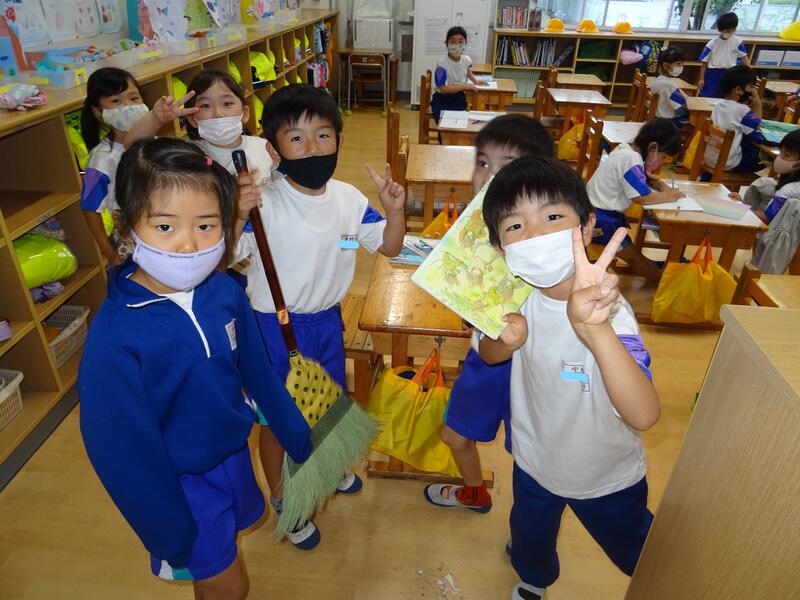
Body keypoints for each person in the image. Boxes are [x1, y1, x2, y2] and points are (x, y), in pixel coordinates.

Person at [78, 138, 313, 598]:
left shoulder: (223, 293)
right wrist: (167, 529)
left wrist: (295, 434)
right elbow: (119, 450)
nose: (189, 244)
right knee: (230, 585)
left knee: (218, 570)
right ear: (126, 224)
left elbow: (258, 371)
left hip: (232, 457)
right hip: (180, 486)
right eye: (165, 226)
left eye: (206, 225)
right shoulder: (116, 336)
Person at [233, 83, 405, 550]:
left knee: (325, 399)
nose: (312, 147)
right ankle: (283, 496)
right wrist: (236, 214)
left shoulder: (348, 199)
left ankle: (324, 466)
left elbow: (389, 247)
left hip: (326, 322)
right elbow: (223, 256)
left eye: (323, 135)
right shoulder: (263, 203)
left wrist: (394, 213)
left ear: (339, 140)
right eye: (297, 138)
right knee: (277, 420)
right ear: (274, 150)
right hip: (274, 328)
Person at [480, 156, 660, 600]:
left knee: (644, 555)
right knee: (529, 534)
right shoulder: (511, 297)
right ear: (501, 248)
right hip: (534, 460)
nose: (536, 234)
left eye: (553, 217)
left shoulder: (610, 313)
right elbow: (487, 353)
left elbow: (644, 414)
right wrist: (505, 342)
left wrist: (596, 331)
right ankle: (532, 577)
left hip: (604, 473)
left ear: (587, 226)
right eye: (515, 226)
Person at [424, 114, 554, 513]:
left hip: (535, 368)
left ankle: (530, 529)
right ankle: (475, 492)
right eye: (482, 163)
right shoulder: (475, 232)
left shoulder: (551, 241)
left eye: (508, 165)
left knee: (531, 458)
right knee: (454, 435)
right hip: (486, 358)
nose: (489, 176)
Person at [79, 67, 195, 265]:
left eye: (134, 98)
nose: (128, 106)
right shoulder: (101, 159)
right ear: (98, 112)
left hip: (170, 229)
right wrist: (110, 254)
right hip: (134, 242)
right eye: (116, 101)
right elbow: (90, 209)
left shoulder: (154, 142)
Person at [586, 118, 684, 281]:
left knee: (635, 254)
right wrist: (669, 196)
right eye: (664, 157)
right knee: (634, 259)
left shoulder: (626, 149)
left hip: (596, 214)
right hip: (600, 221)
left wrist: (660, 184)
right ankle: (662, 280)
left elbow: (642, 177)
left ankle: (658, 269)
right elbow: (641, 197)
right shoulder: (631, 159)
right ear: (653, 147)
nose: (661, 163)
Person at [183, 70, 276, 186]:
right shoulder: (190, 157)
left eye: (227, 104)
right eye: (205, 105)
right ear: (192, 120)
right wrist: (160, 119)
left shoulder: (264, 147)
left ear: (245, 113)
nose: (218, 114)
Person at [703, 65, 765, 177]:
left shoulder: (718, 104)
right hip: (728, 162)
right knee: (761, 160)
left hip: (709, 157)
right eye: (751, 86)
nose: (753, 91)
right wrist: (757, 104)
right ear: (738, 90)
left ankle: (707, 177)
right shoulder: (742, 109)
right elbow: (757, 126)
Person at [431, 25, 488, 122]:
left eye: (461, 42)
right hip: (442, 99)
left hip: (458, 98)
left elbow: (467, 70)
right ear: (446, 44)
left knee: (459, 121)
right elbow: (443, 89)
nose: (457, 45)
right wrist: (464, 87)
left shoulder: (466, 60)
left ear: (466, 43)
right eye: (453, 42)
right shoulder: (441, 64)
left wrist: (475, 81)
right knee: (446, 123)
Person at [698, 12, 751, 98]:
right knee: (708, 96)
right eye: (727, 31)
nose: (729, 33)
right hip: (712, 74)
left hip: (729, 74)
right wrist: (701, 79)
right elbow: (704, 63)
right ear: (720, 30)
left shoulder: (738, 41)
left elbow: (744, 58)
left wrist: (751, 74)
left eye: (732, 31)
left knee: (726, 97)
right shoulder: (712, 43)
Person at [649, 47, 689, 128]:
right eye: (678, 64)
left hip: (658, 118)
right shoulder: (668, 85)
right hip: (667, 122)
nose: (681, 67)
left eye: (682, 64)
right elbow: (680, 107)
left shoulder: (659, 79)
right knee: (697, 121)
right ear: (666, 66)